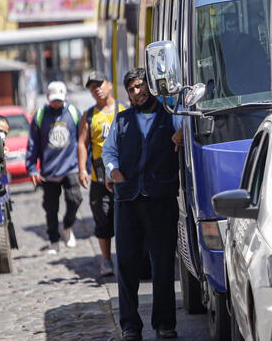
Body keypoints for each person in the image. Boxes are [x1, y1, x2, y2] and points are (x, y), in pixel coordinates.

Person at [102, 68, 183, 341]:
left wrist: (181, 134)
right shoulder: (122, 120)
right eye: (132, 89)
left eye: (140, 87)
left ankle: (164, 324)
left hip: (161, 200)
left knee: (162, 265)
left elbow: (187, 129)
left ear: (150, 86)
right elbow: (109, 151)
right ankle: (130, 326)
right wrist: (113, 170)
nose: (137, 93)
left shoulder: (171, 117)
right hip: (128, 200)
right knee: (126, 264)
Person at [26, 81, 83, 255]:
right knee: (51, 209)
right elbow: (33, 144)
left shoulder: (73, 113)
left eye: (59, 99)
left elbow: (82, 140)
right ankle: (53, 241)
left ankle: (67, 226)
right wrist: (32, 168)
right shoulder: (40, 115)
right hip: (49, 171)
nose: (56, 103)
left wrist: (84, 167)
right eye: (53, 100)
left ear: (64, 97)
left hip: (70, 167)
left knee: (75, 199)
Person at [77, 71, 126, 277]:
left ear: (109, 84)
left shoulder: (123, 110)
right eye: (92, 86)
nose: (96, 89)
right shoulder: (89, 115)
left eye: (99, 84)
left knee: (125, 219)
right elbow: (82, 143)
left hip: (122, 176)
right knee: (103, 220)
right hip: (98, 177)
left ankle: (126, 258)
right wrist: (82, 169)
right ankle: (106, 260)